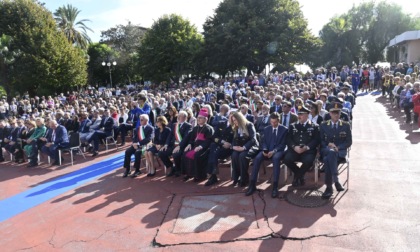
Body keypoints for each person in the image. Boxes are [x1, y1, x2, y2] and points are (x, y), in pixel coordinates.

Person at [246, 112, 288, 198]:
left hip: (278, 150)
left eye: (275, 122)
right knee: (257, 158)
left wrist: (274, 151)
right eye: (271, 122)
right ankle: (252, 184)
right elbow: (263, 142)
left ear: (278, 121)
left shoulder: (284, 129)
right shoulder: (266, 129)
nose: (273, 124)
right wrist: (265, 150)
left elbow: (283, 144)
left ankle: (275, 187)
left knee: (276, 159)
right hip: (267, 150)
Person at [319, 102, 352, 199]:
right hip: (326, 149)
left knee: (327, 159)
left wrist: (339, 147)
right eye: (334, 113)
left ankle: (329, 188)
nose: (336, 115)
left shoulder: (345, 125)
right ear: (330, 113)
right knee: (330, 153)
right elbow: (321, 140)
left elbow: (349, 142)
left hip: (340, 152)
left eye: (338, 112)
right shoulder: (324, 125)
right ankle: (336, 181)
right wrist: (328, 144)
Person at [283, 106, 320, 187]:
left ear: (307, 115)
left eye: (302, 114)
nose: (299, 116)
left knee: (309, 161)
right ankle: (300, 175)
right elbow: (288, 138)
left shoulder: (314, 126)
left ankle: (297, 177)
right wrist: (294, 147)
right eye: (298, 114)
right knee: (286, 159)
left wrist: (307, 147)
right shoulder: (293, 126)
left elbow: (316, 140)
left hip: (308, 151)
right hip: (294, 150)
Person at [182, 108, 214, 182]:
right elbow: (192, 139)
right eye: (198, 118)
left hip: (205, 149)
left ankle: (199, 176)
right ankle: (189, 174)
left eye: (200, 118)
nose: (198, 119)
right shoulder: (196, 128)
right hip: (195, 147)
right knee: (185, 154)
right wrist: (189, 144)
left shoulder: (209, 129)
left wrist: (200, 146)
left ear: (205, 119)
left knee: (197, 156)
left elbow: (209, 141)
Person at [204, 112, 234, 186]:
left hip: (229, 149)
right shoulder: (221, 123)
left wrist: (230, 145)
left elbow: (237, 139)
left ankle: (212, 176)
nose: (233, 119)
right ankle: (213, 175)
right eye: (231, 116)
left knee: (211, 152)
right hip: (219, 146)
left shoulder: (236, 126)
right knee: (213, 147)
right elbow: (214, 137)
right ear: (228, 116)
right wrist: (222, 142)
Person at [230, 111, 258, 187]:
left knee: (242, 156)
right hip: (240, 147)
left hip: (251, 147)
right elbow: (233, 140)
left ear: (240, 119)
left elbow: (253, 140)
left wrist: (244, 147)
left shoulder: (249, 125)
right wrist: (233, 147)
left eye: (235, 120)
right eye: (233, 120)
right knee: (234, 155)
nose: (234, 122)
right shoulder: (236, 127)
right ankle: (236, 178)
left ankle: (244, 179)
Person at [161, 111, 192, 177]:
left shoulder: (188, 126)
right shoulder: (175, 125)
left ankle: (178, 169)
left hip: (182, 146)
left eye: (180, 116)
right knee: (161, 153)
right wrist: (166, 144)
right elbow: (170, 135)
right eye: (178, 116)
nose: (178, 117)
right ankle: (172, 166)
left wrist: (180, 146)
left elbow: (186, 137)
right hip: (173, 145)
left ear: (185, 117)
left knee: (176, 154)